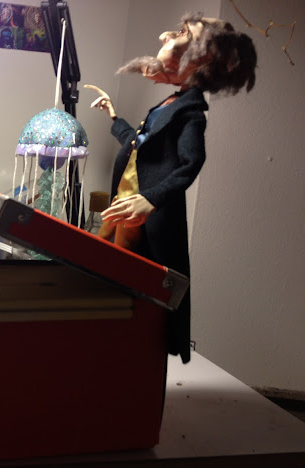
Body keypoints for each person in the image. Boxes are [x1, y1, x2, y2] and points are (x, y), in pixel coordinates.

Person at [86, 13, 256, 363]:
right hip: (124, 202)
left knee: (132, 283)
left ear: (203, 58)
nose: (165, 34)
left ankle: (124, 354)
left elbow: (191, 162)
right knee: (100, 265)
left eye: (181, 32)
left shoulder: (190, 112)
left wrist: (151, 199)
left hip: (143, 214)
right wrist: (113, 117)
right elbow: (140, 143)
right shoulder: (170, 104)